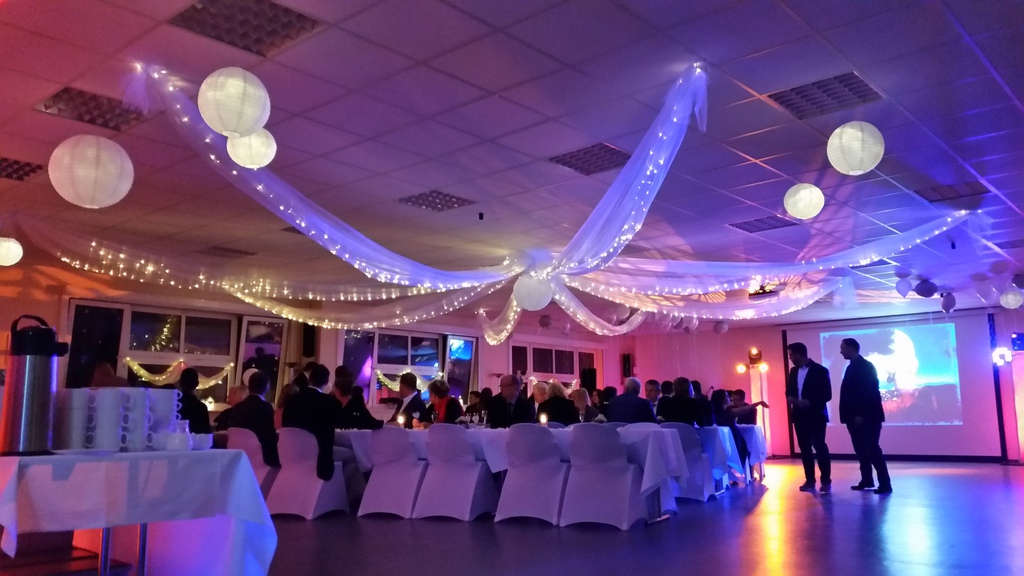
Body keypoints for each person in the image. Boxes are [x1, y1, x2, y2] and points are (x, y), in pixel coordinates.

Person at [838, 338, 891, 494]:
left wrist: (860, 414)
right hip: (854, 417)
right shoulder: (852, 366)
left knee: (872, 449)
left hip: (867, 418)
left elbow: (870, 392)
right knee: (861, 450)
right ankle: (867, 479)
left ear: (851, 348)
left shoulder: (865, 366)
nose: (841, 351)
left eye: (843, 348)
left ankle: (885, 484)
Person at [281, 364, 343, 481]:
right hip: (318, 458)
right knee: (354, 457)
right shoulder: (328, 402)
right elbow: (339, 424)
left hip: (292, 453)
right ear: (327, 382)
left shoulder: (291, 400)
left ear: (309, 379)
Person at [786, 342, 833, 493]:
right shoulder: (793, 371)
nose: (790, 358)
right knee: (804, 448)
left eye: (791, 355)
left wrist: (809, 402)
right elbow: (789, 390)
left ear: (799, 354)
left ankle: (826, 481)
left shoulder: (820, 370)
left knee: (819, 446)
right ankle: (810, 480)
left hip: (816, 415)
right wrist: (790, 397)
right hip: (799, 415)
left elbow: (827, 394)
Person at [219, 370, 280, 467]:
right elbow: (268, 436)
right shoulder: (265, 407)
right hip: (259, 456)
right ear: (267, 387)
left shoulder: (238, 407)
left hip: (239, 455)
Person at [710, 389, 750, 469]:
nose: (730, 398)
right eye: (727, 396)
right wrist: (758, 403)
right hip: (732, 442)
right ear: (722, 400)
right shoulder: (726, 413)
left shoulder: (715, 413)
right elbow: (743, 410)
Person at [177, 368, 212, 434]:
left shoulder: (175, 405)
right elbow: (206, 433)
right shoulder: (201, 407)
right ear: (197, 383)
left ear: (180, 383)